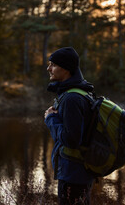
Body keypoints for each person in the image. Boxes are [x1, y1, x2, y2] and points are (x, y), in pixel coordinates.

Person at [44, 47, 95, 205]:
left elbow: (71, 139)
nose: (48, 68)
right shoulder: (79, 93)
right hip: (78, 172)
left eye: (53, 64)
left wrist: (50, 118)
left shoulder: (72, 98)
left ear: (66, 69)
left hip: (73, 174)